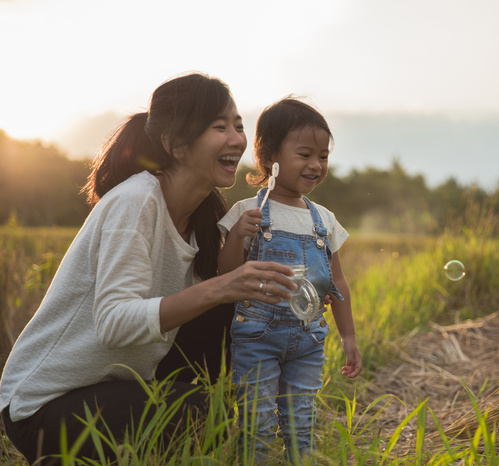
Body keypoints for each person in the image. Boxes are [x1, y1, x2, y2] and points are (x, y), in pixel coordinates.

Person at [0, 73, 296, 465]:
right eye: (219, 126)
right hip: (43, 407)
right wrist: (224, 287)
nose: (237, 139)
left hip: (118, 386)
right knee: (195, 412)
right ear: (176, 144)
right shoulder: (136, 201)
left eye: (238, 126)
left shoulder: (206, 216)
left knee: (223, 360)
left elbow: (217, 320)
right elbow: (114, 323)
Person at [217, 97, 362, 462]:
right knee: (257, 423)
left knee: (301, 422)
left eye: (323, 156)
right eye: (305, 154)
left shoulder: (323, 219)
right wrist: (236, 237)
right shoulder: (248, 212)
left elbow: (337, 282)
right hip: (257, 337)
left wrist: (348, 336)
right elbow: (225, 275)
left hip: (309, 339)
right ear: (269, 157)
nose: (316, 165)